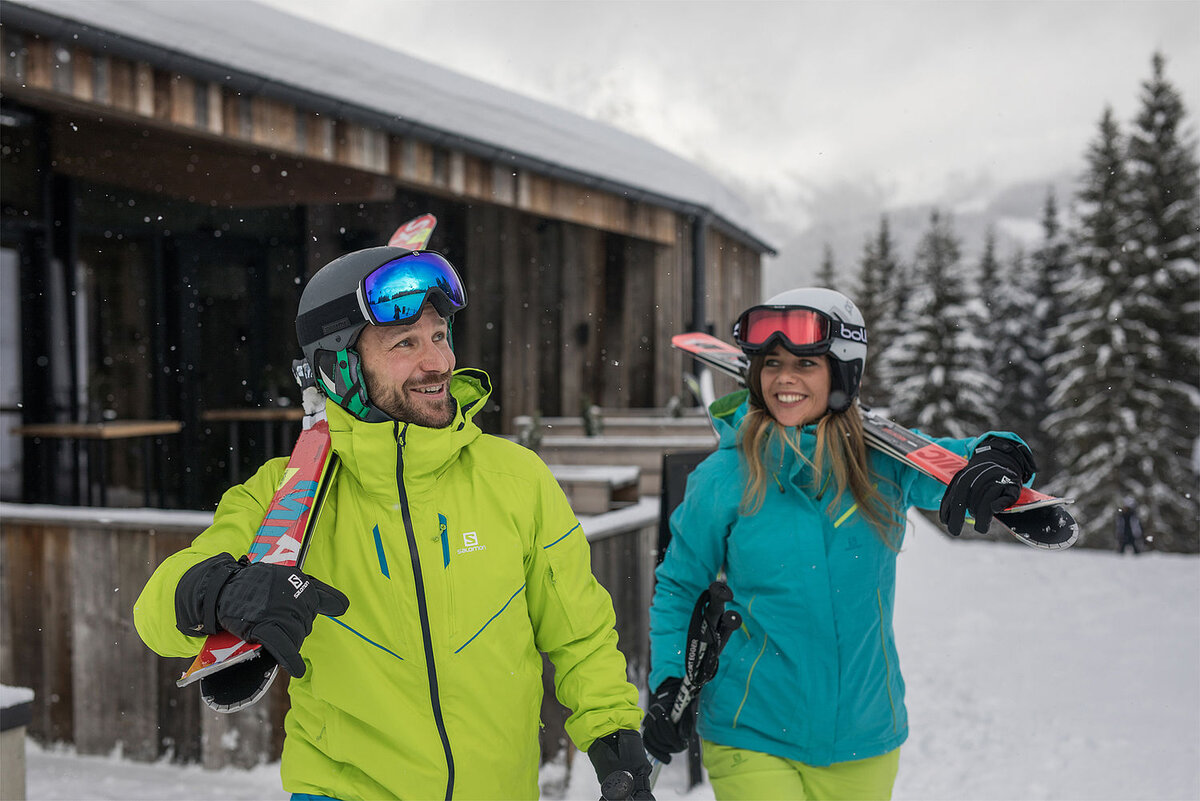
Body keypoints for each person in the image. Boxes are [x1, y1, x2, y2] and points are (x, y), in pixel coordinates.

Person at [134, 246, 654, 800]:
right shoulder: (286, 493)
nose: (437, 362)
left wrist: (617, 749)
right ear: (340, 367)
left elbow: (581, 635)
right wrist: (221, 592)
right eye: (405, 343)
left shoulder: (515, 480)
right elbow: (154, 616)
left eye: (439, 335)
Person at [641, 288, 1038, 800]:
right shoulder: (726, 476)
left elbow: (958, 464)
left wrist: (1001, 455)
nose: (784, 378)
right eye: (772, 363)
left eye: (805, 363)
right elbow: (679, 586)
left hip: (864, 734)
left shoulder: (886, 463)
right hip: (751, 727)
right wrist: (671, 681)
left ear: (842, 372)